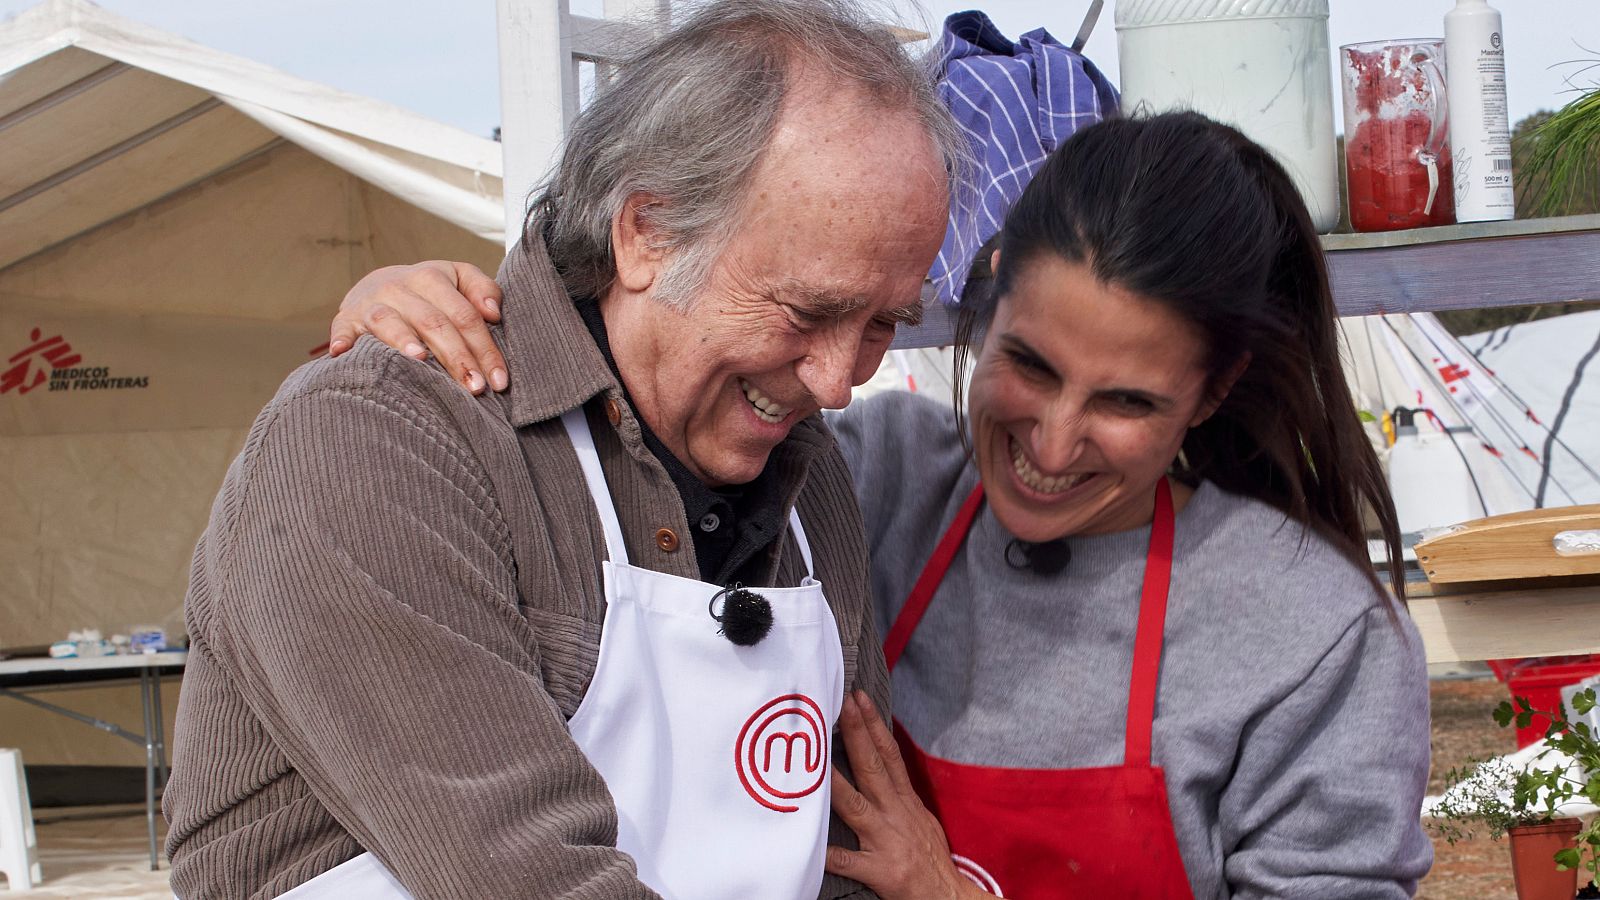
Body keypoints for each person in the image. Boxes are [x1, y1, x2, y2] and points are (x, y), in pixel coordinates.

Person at [336, 112, 1435, 898]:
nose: (1050, 446)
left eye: (1128, 403)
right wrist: (439, 313)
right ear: (982, 291)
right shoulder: (865, 482)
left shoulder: (1309, 631)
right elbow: (644, 435)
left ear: (1218, 389)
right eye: (1030, 369)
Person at [162, 1, 964, 897]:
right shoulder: (381, 436)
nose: (835, 382)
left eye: (883, 323)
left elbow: (842, 859)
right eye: (806, 313)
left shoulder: (806, 479)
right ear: (645, 234)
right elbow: (528, 872)